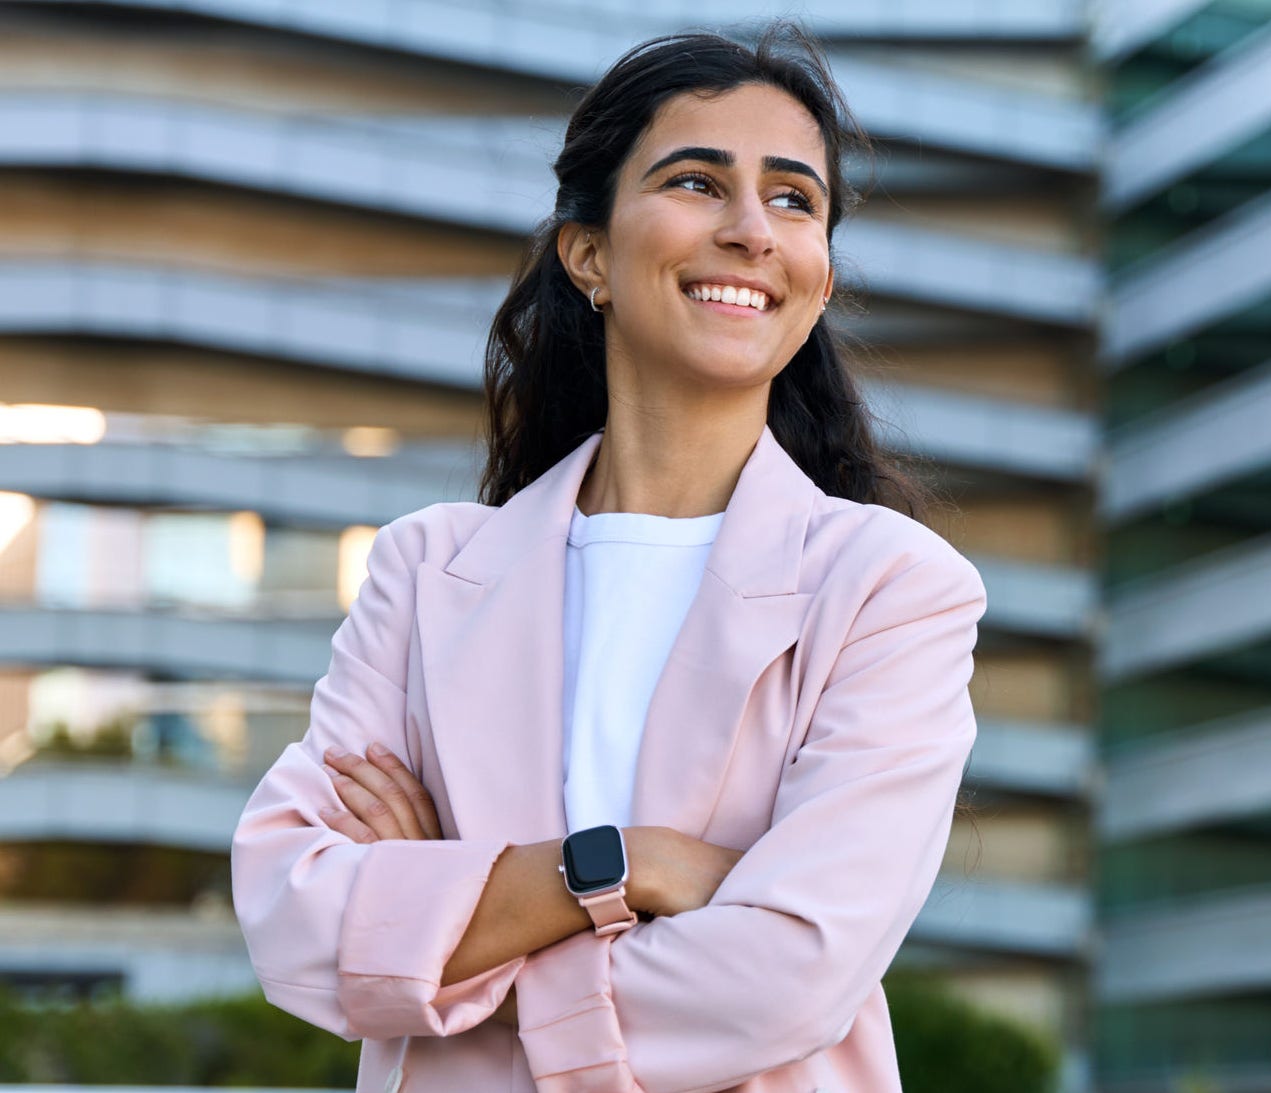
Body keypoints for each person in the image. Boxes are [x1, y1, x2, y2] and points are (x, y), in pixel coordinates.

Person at [230, 23, 987, 1093]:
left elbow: (788, 977)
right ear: (588, 253)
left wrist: (445, 934)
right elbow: (293, 915)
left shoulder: (891, 589)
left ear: (818, 280)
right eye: (696, 181)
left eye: (793, 198)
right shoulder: (424, 572)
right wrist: (629, 866)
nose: (750, 230)